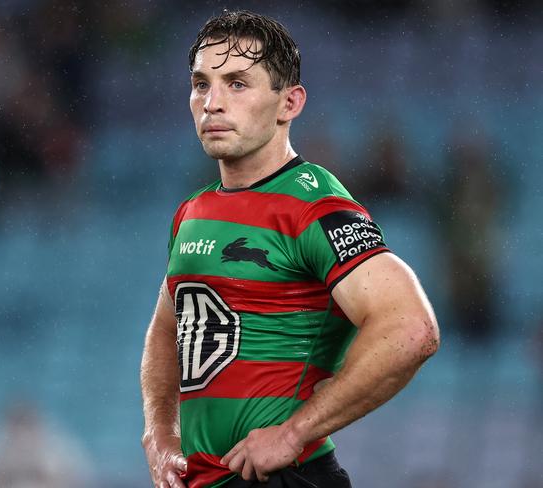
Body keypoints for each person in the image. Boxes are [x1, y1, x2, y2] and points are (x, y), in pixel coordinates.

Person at [140, 10, 439, 488]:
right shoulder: (193, 211)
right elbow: (166, 328)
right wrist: (159, 433)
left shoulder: (314, 205)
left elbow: (411, 329)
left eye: (237, 84)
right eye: (201, 84)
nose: (211, 103)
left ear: (289, 103)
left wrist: (295, 432)